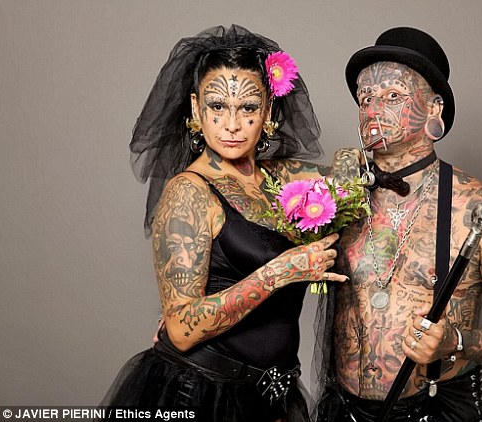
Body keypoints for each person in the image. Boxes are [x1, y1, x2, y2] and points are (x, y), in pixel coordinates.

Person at [100, 25, 356, 422]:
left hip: (274, 396)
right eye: (217, 106)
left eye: (248, 108)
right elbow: (181, 330)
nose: (232, 124)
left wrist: (352, 161)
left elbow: (351, 174)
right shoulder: (189, 192)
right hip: (201, 393)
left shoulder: (282, 179)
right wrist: (279, 273)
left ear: (268, 111)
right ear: (196, 109)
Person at [314, 27, 482, 421]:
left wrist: (457, 341)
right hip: (343, 409)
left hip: (435, 408)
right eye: (365, 97)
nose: (373, 109)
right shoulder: (335, 199)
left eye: (392, 96)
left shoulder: (478, 207)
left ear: (434, 109)